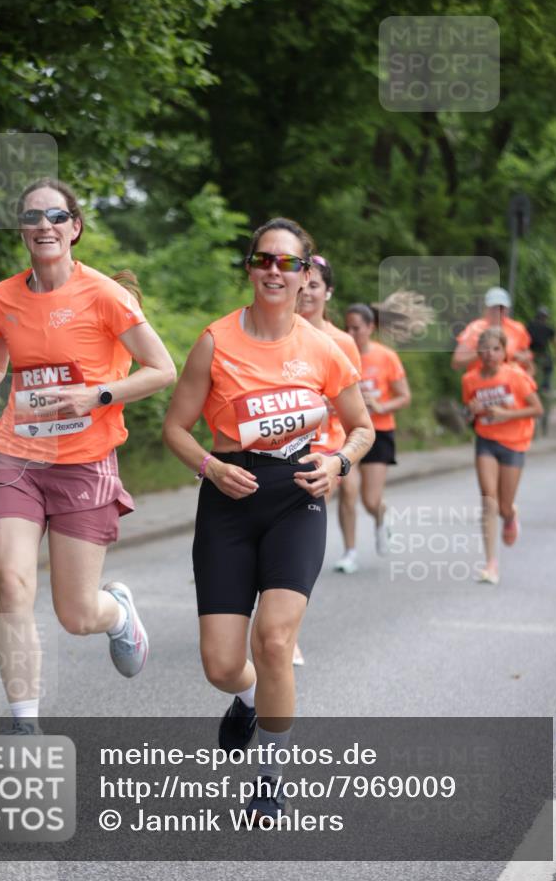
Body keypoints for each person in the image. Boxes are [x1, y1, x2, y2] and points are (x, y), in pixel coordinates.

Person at [162, 218, 373, 824]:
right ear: (250, 268)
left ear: (306, 273)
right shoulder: (215, 341)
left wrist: (338, 462)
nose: (275, 272)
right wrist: (209, 466)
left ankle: (270, 777)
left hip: (295, 496)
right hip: (228, 496)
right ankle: (247, 700)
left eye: (289, 263)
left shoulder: (325, 349)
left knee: (276, 640)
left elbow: (362, 428)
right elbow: (174, 427)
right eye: (264, 261)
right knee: (223, 666)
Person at [0, 178, 176, 733]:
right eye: (33, 217)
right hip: (17, 456)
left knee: (76, 615)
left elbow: (163, 370)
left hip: (84, 460)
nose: (44, 226)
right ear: (22, 230)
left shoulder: (105, 294)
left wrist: (96, 394)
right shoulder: (2, 298)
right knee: (11, 581)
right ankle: (24, 723)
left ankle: (117, 613)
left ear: (75, 227)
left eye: (56, 216)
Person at [293, 254, 362, 663]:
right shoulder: (274, 333)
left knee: (299, 541)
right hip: (274, 452)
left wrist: (319, 405)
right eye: (302, 283)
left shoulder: (342, 342)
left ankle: (286, 634)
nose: (306, 292)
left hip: (324, 452)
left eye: (315, 284)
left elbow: (354, 406)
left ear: (327, 292)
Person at [461, 327, 542, 585]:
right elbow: (468, 414)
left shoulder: (516, 376)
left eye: (496, 349)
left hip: (514, 442)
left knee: (504, 505)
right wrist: (471, 411)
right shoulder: (470, 380)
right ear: (478, 353)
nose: (490, 354)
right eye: (484, 349)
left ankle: (510, 516)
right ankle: (490, 565)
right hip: (486, 440)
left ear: (504, 351)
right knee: (488, 500)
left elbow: (537, 409)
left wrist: (506, 414)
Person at [342, 303, 411, 569]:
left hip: (379, 431)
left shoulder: (386, 357)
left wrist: (382, 406)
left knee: (370, 500)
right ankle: (349, 553)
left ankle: (381, 516)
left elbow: (404, 396)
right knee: (348, 489)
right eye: (347, 327)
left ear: (371, 328)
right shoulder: (339, 354)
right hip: (347, 431)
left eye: (356, 328)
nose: (351, 332)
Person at [452, 286, 532, 374]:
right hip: (481, 383)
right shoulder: (474, 329)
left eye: (501, 308)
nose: (497, 311)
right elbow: (456, 362)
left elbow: (528, 356)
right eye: (494, 307)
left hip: (509, 383)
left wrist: (523, 357)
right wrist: (481, 353)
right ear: (486, 308)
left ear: (507, 309)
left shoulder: (517, 328)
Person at [527, 307, 556, 436]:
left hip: (531, 359)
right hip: (544, 359)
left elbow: (524, 342)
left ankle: (532, 389)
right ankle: (546, 387)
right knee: (546, 386)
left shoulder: (529, 326)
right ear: (546, 317)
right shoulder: (549, 329)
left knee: (530, 387)